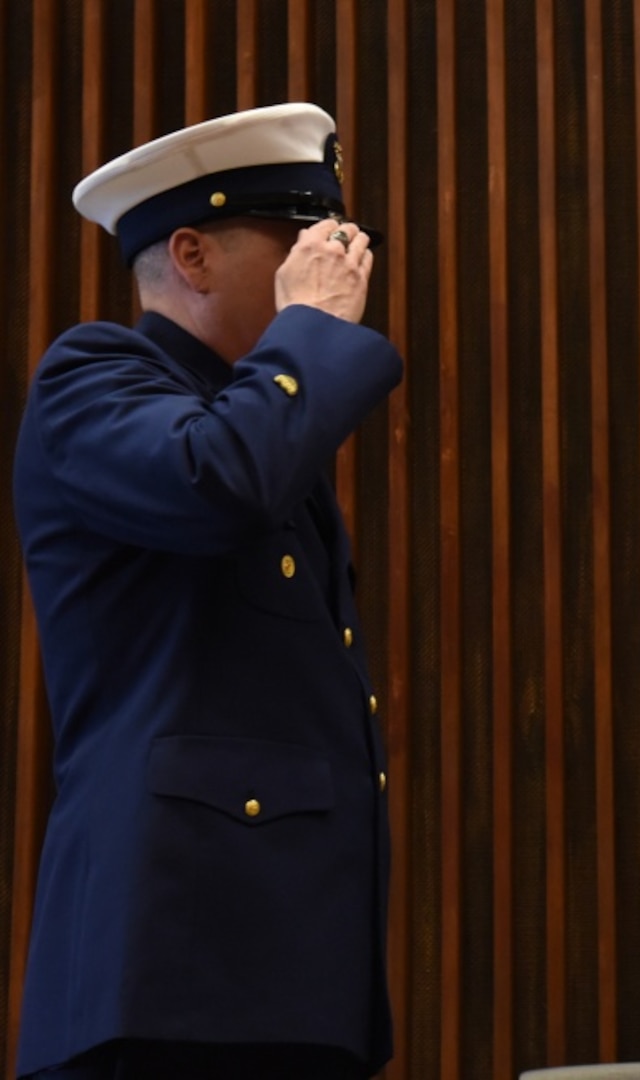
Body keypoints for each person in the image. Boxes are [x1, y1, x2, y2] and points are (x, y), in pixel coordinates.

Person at [12, 103, 400, 1079]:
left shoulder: (275, 435)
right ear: (191, 255)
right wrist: (309, 330)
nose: (340, 264)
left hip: (281, 966)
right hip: (166, 966)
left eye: (343, 242)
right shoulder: (94, 378)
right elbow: (213, 485)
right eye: (306, 241)